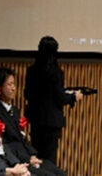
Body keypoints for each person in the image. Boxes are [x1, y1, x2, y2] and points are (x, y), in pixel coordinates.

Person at [0, 68, 65, 176]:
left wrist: (32, 155)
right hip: (15, 161)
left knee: (60, 172)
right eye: (9, 85)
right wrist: (27, 159)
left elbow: (22, 137)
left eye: (14, 84)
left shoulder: (15, 110)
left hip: (27, 156)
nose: (13, 88)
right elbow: (4, 144)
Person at [24, 36, 83, 166]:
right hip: (51, 121)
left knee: (36, 157)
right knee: (49, 159)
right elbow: (60, 98)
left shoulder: (31, 70)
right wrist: (74, 97)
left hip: (36, 120)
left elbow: (27, 94)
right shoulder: (56, 72)